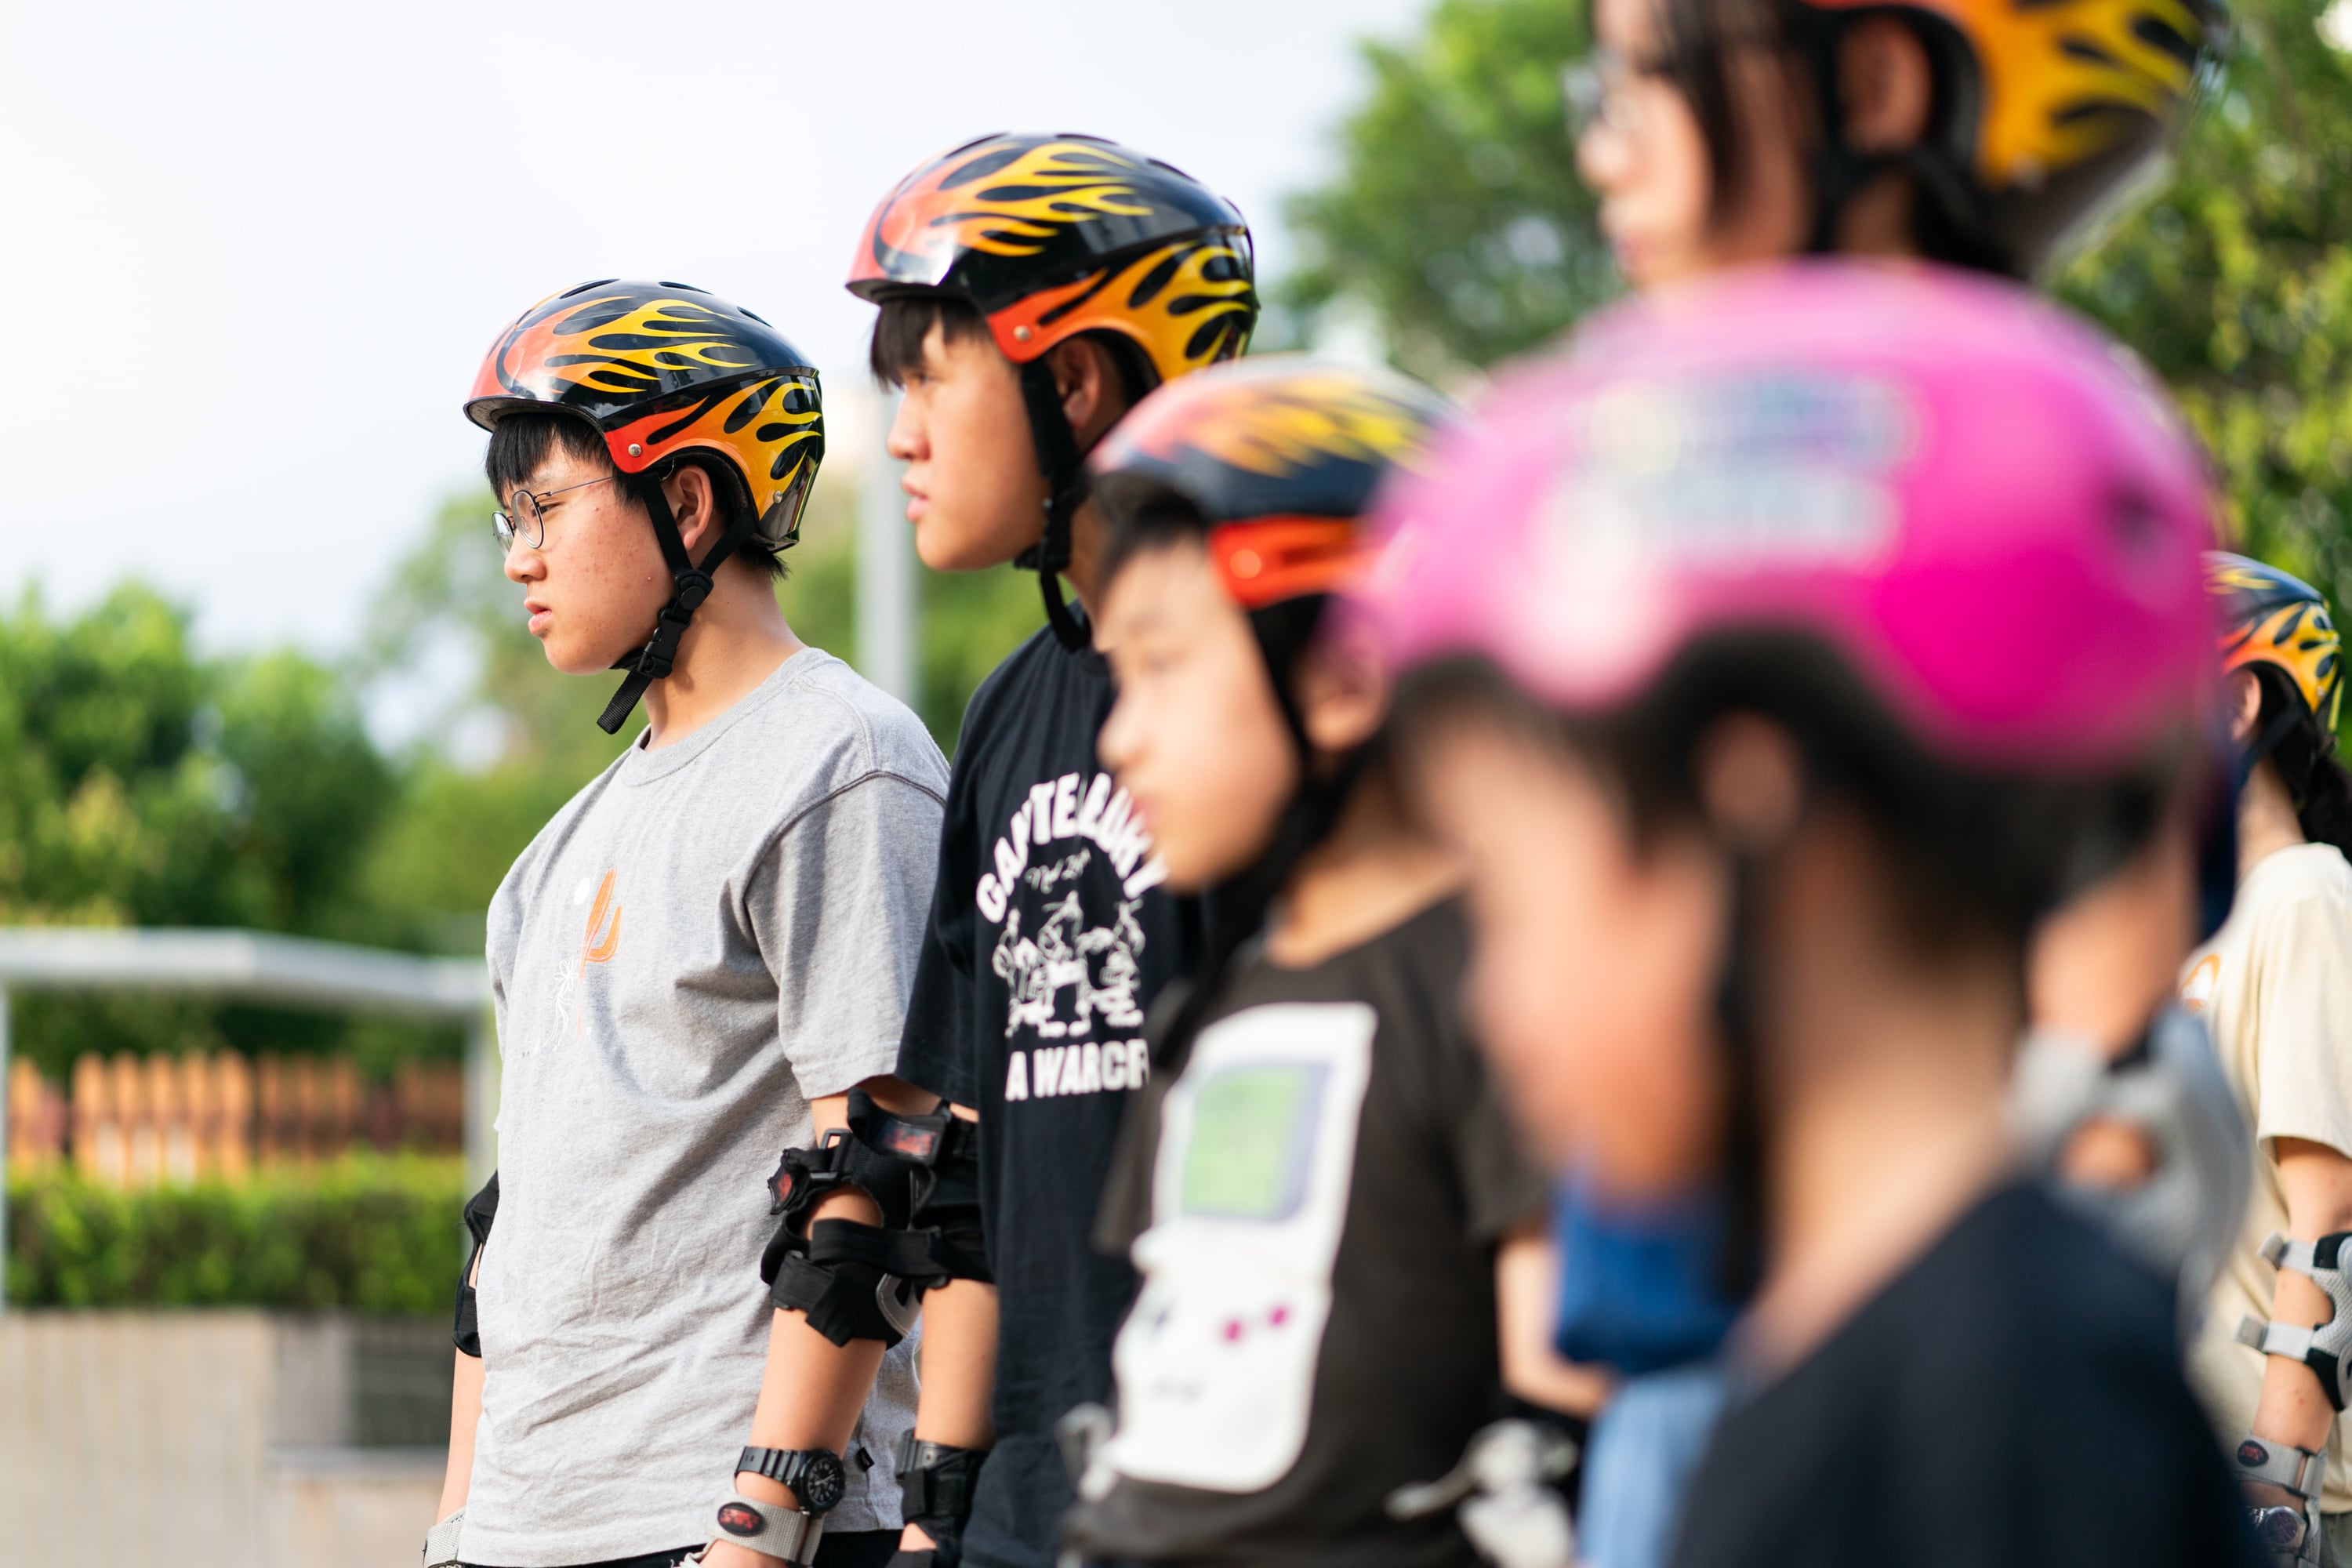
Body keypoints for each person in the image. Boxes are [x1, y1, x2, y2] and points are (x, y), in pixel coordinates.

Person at [1352, 261, 2258, 1566]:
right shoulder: (1893, 1360)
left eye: (1517, 891)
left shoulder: (1998, 1419)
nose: (1491, 999)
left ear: (1752, 812)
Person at [1031, 357, 1600, 1567]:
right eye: (1117, 680)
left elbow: (1563, 1413)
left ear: (1344, 676)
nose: (1119, 737)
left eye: (1164, 667)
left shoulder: (1506, 988)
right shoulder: (1209, 1003)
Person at [427, 281, 950, 1568]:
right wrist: (454, 1529)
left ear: (690, 499)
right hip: (525, 1529)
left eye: (546, 507)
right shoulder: (549, 860)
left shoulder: (843, 763)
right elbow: (504, 1235)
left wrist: (763, 1531)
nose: (519, 557)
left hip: (727, 1526)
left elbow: (878, 1177)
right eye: (509, 518)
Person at [841, 133, 1258, 1568]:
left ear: (1072, 380)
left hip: (1244, 1482)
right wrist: (939, 1517)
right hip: (1033, 1500)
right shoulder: (1008, 711)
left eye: (928, 380)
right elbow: (965, 1151)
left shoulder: (1267, 702)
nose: (899, 436)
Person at [2182, 554, 2352, 1566]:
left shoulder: (2306, 897)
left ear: (2241, 704)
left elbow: (2333, 1221)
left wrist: (2275, 1493)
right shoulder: (2197, 930)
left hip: (2281, 1509)